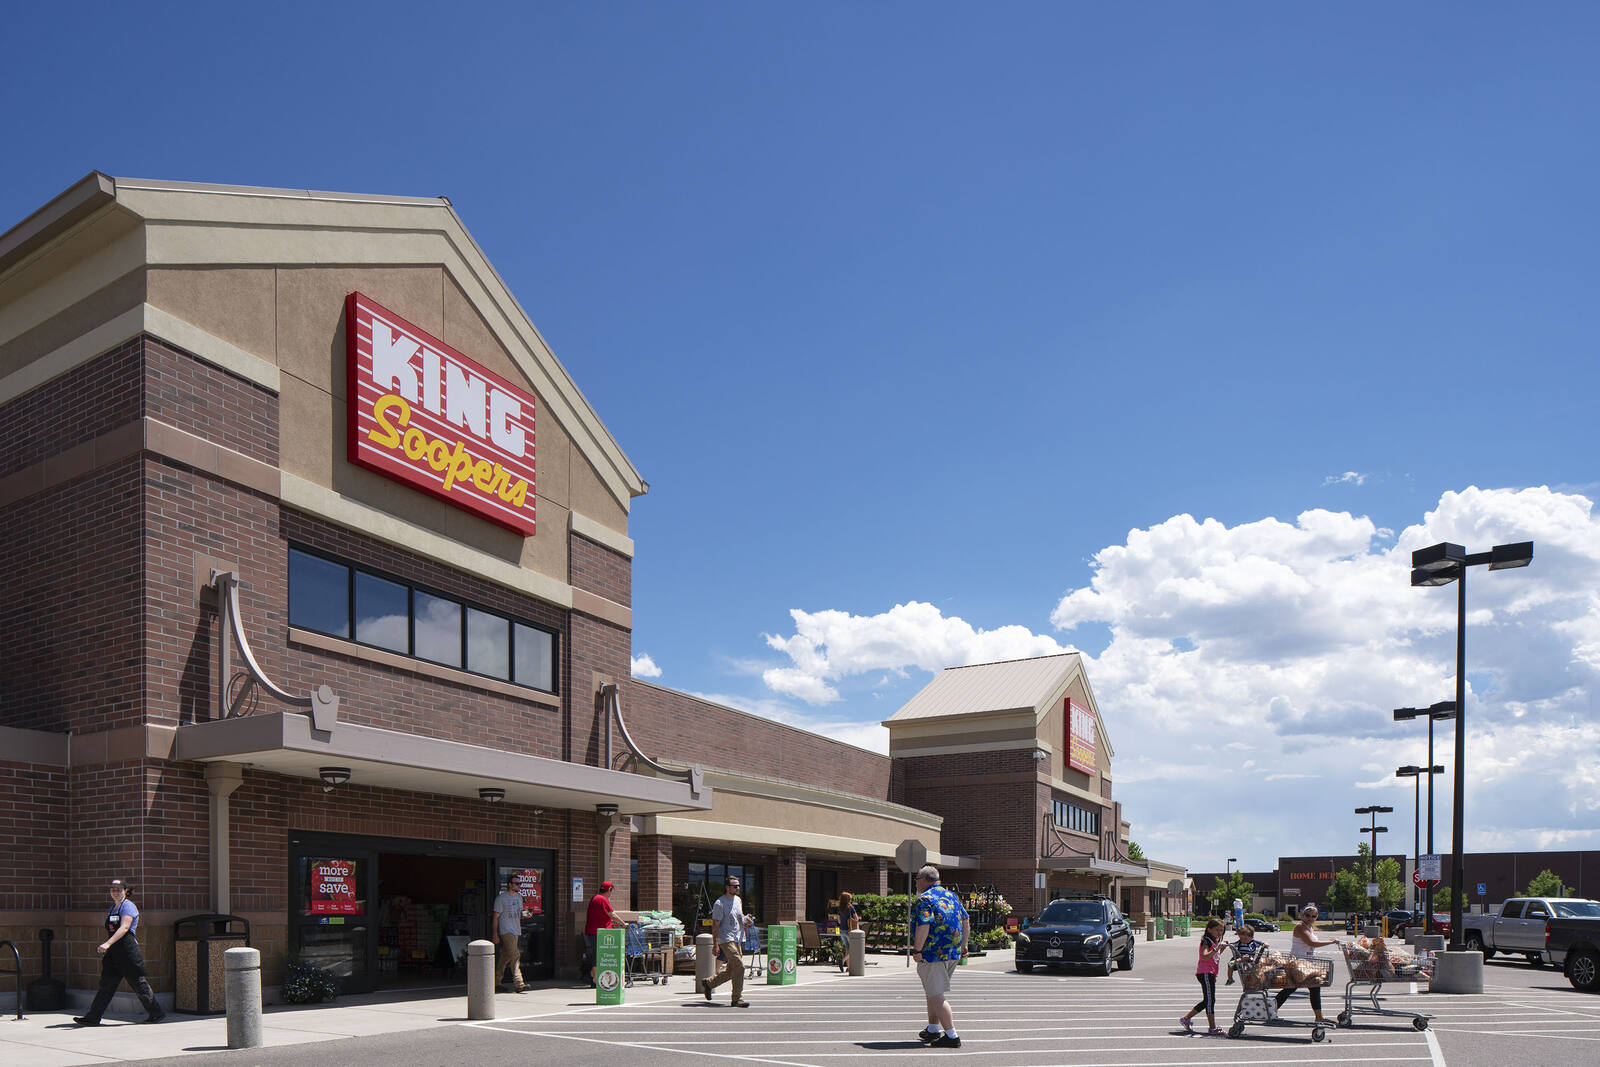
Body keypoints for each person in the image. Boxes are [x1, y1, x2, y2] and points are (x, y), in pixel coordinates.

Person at [73, 878, 165, 1026]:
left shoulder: (128, 906)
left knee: (138, 983)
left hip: (127, 951)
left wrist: (107, 943)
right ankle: (93, 1017)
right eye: (112, 889)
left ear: (126, 891)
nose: (115, 892)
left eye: (118, 889)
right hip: (114, 953)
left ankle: (156, 1013)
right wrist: (109, 946)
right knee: (106, 985)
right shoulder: (113, 908)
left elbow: (124, 928)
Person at [911, 864, 969, 1049]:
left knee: (936, 995)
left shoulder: (925, 899)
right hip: (952, 952)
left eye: (917, 879)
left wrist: (917, 950)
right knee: (932, 991)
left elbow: (923, 925)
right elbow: (965, 920)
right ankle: (933, 1028)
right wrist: (963, 945)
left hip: (932, 954)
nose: (916, 883)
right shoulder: (951, 896)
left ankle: (952, 1035)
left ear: (925, 880)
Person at [1274, 904, 1339, 1023]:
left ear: (1316, 917)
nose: (1310, 918)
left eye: (1313, 916)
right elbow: (1311, 943)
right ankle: (1318, 1017)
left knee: (1296, 988)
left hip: (1305, 964)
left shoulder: (1309, 928)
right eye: (1308, 915)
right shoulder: (1300, 927)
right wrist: (1330, 942)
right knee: (1298, 988)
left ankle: (1271, 1010)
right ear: (1302, 915)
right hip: (1298, 964)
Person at [702, 876, 754, 1007]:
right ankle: (737, 998)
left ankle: (709, 983)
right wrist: (715, 944)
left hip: (737, 938)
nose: (738, 888)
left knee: (732, 970)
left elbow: (739, 916)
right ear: (727, 887)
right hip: (725, 939)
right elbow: (715, 925)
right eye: (735, 886)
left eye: (738, 886)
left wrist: (745, 920)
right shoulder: (720, 903)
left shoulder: (738, 900)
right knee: (740, 966)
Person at [1179, 919, 1228, 1035]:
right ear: (1209, 929)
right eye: (1217, 930)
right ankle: (1212, 1028)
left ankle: (1186, 1018)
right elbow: (1205, 956)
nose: (1219, 932)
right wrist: (1217, 948)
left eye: (1222, 930)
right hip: (1205, 973)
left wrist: (1222, 947)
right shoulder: (1206, 941)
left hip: (1210, 973)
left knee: (1208, 1000)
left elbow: (1215, 956)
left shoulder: (1214, 941)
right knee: (1210, 1000)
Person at [492, 874, 528, 993]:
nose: (519, 886)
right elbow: (496, 917)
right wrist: (495, 934)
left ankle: (496, 982)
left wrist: (526, 915)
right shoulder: (501, 899)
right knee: (515, 955)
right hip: (506, 931)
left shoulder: (519, 898)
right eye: (516, 883)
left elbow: (519, 915)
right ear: (510, 884)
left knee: (505, 957)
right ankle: (519, 983)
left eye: (520, 883)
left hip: (516, 930)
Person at [583, 880, 618, 987]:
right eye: (611, 891)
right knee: (599, 956)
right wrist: (624, 924)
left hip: (593, 931)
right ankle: (594, 979)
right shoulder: (602, 899)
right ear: (609, 890)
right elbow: (612, 915)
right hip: (600, 933)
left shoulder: (594, 898)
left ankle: (594, 977)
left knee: (596, 955)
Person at [835, 891, 859, 973]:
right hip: (849, 930)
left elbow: (839, 921)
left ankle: (849, 967)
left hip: (842, 930)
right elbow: (856, 918)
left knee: (848, 949)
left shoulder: (839, 908)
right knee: (853, 949)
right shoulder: (850, 907)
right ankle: (842, 960)